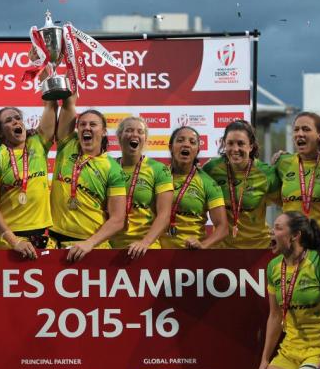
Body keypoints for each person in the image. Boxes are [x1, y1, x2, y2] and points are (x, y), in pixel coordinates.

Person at [256, 211, 320, 369]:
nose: (271, 232)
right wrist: (265, 359)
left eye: (278, 228)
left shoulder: (319, 264)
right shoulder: (273, 267)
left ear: (295, 236)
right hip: (290, 351)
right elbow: (274, 316)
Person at [47, 94, 126, 262]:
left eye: (93, 124)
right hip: (54, 243)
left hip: (90, 247)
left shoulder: (113, 168)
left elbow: (118, 219)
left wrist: (89, 243)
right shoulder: (68, 144)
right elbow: (68, 105)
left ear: (104, 131)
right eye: (82, 124)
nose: (86, 128)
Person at [0, 103, 56, 258]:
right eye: (9, 120)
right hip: (8, 240)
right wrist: (14, 241)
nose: (16, 122)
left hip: (40, 236)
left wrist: (45, 82)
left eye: (18, 118)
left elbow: (50, 107)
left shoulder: (37, 143)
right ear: (0, 133)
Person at [203, 120, 280, 248]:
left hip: (258, 250)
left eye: (241, 144)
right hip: (222, 250)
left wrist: (281, 232)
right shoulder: (211, 169)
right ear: (223, 144)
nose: (235, 149)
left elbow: (289, 205)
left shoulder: (266, 173)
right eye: (230, 143)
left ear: (251, 146)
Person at [109, 116, 173, 258]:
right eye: (129, 130)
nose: (135, 134)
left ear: (145, 138)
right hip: (110, 248)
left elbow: (164, 214)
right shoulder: (108, 166)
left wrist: (145, 242)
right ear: (119, 136)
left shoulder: (158, 169)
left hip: (146, 249)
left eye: (140, 131)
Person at [159, 126, 228, 249]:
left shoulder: (207, 182)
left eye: (192, 142)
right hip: (157, 255)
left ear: (197, 150)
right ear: (170, 147)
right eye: (180, 140)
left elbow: (223, 228)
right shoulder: (157, 176)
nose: (186, 145)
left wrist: (202, 245)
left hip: (191, 256)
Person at [274, 112, 320, 253]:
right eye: (296, 129)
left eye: (306, 129)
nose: (300, 134)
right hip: (292, 249)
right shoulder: (282, 162)